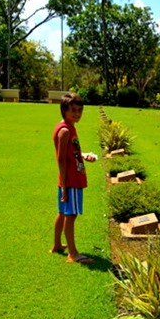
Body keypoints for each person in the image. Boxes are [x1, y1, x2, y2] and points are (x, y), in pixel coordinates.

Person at [50, 92, 97, 263]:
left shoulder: (68, 127)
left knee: (63, 213)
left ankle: (56, 245)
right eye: (73, 111)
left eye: (80, 110)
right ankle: (73, 253)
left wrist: (83, 155)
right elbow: (61, 159)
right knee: (71, 215)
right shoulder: (65, 131)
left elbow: (70, 153)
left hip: (68, 180)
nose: (77, 114)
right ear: (64, 110)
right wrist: (64, 186)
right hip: (70, 181)